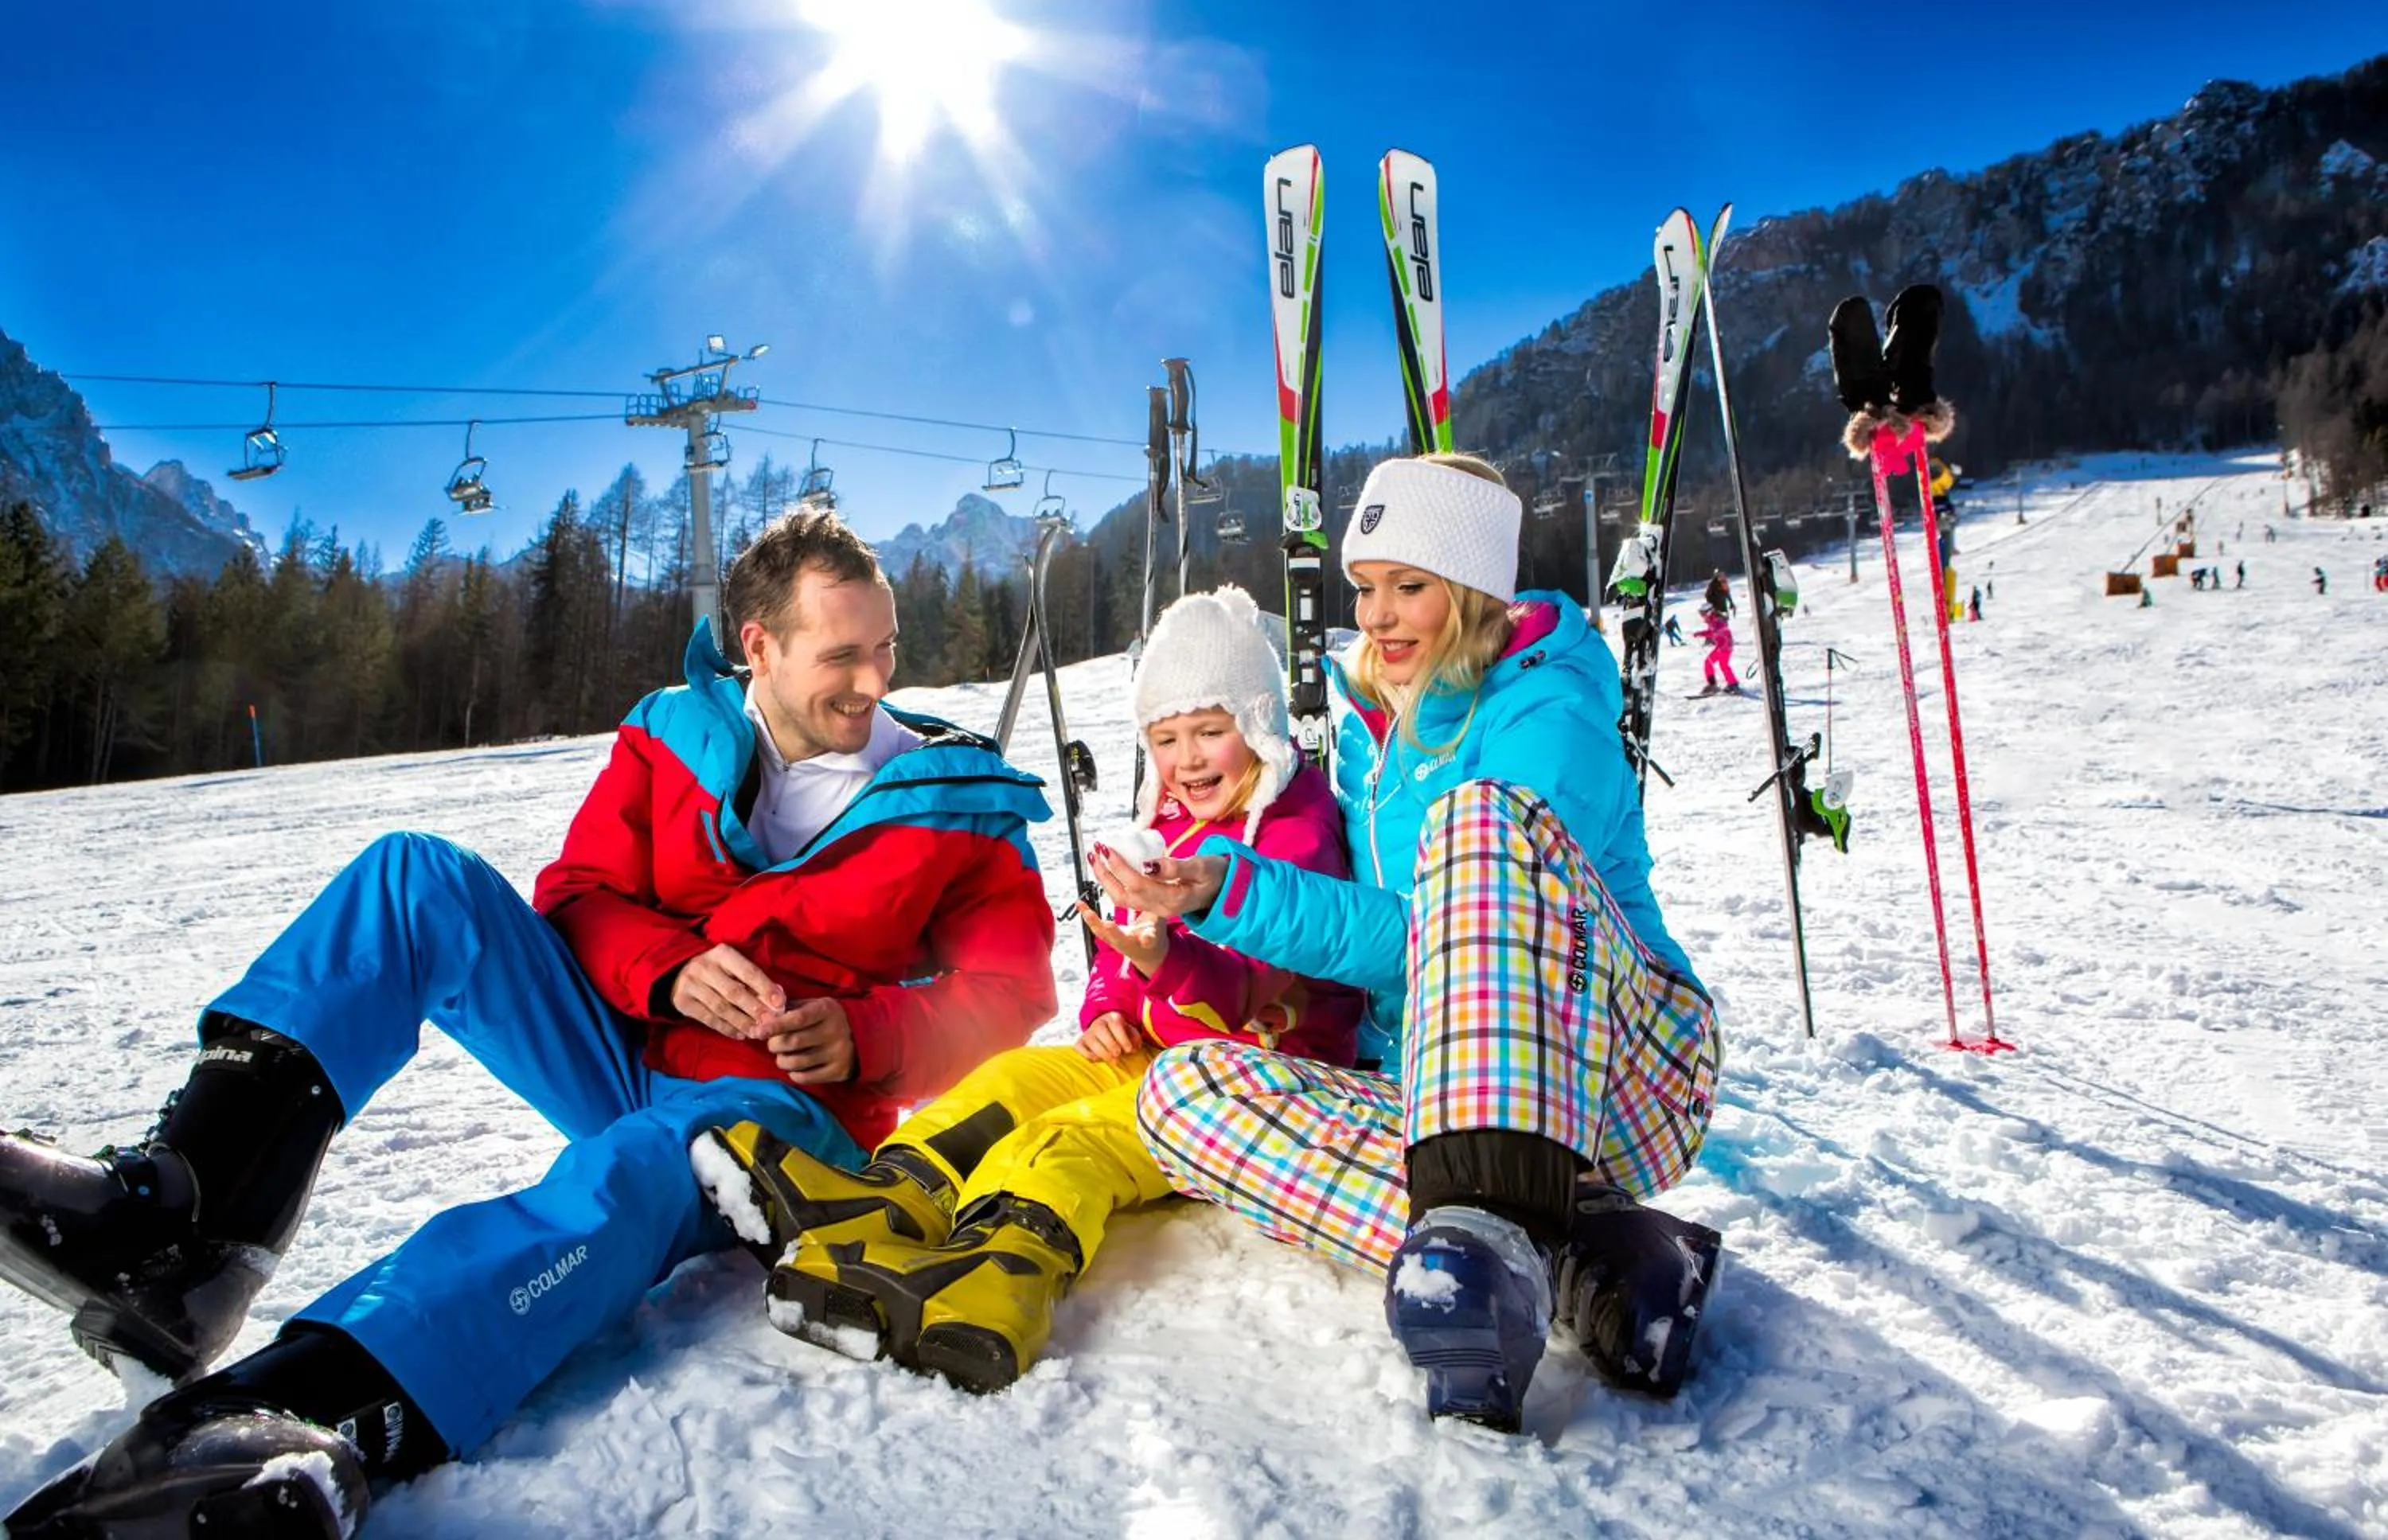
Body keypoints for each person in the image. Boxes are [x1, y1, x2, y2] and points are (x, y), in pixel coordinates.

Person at [0, 509, 1058, 1535]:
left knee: (641, 1163)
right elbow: (583, 894)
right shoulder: (673, 737)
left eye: (886, 648)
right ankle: (177, 1234)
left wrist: (867, 1033)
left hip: (787, 1114)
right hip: (636, 1046)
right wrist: (666, 967)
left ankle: (313, 1405)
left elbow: (1012, 996)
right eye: (841, 655)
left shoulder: (953, 801)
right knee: (414, 880)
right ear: (760, 646)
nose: (873, 681)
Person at [1109, 453, 1720, 1434]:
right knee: (1181, 1092)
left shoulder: (1546, 711)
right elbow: (1370, 935)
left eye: (1410, 586)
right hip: (1441, 1092)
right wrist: (1212, 887)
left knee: (1477, 823)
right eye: (1365, 589)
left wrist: (1239, 888)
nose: (1379, 616)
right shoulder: (1368, 731)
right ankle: (1566, 1261)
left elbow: (1451, 934)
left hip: (1624, 1063)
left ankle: (1498, 1232)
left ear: (1472, 587)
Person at [695, 586, 1364, 1398]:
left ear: (1258, 727)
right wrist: (1114, 1005)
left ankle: (997, 1277)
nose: (1187, 759)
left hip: (1246, 1081)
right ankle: (882, 1199)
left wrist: (1159, 964)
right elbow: (1123, 950)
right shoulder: (1177, 821)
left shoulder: (1295, 829)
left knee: (1061, 1144)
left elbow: (1247, 990)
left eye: (1209, 732)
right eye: (1166, 738)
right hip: (1156, 1051)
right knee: (1010, 1081)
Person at [1695, 604, 1740, 693]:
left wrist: (1715, 631)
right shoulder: (1712, 620)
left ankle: (1732, 684)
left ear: (1709, 612)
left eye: (1703, 613)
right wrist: (1700, 634)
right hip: (1722, 646)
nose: (1702, 616)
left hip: (1725, 646)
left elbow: (1722, 629)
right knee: (1711, 663)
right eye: (1701, 614)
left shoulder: (1718, 620)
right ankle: (1715, 684)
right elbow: (1712, 632)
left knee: (1719, 664)